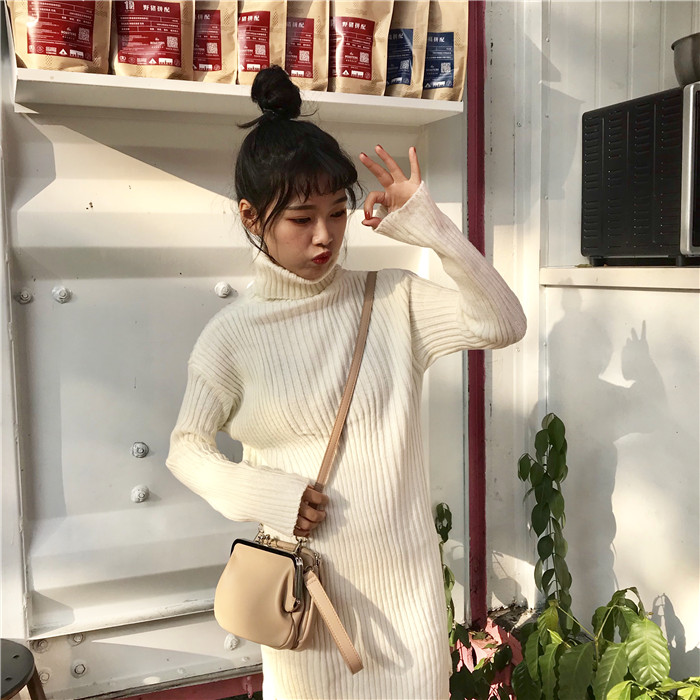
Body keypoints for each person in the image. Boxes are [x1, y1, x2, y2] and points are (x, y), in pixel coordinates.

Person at [166, 65, 526, 700]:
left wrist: (430, 227)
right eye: (301, 218)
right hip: (307, 606)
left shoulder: (392, 299)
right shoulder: (231, 337)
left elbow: (503, 322)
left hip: (406, 607)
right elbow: (185, 449)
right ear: (251, 217)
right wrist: (266, 494)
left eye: (338, 213)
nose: (325, 236)